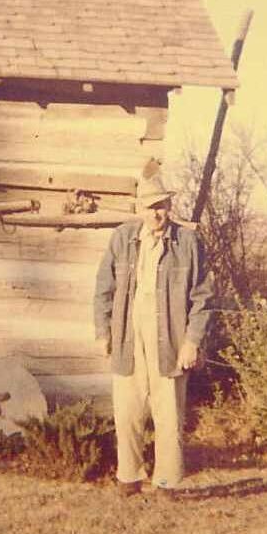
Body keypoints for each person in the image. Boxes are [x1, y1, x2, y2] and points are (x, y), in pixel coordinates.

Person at [93, 175, 213, 496]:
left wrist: (192, 341)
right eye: (149, 207)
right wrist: (102, 331)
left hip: (171, 339)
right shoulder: (122, 238)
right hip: (128, 337)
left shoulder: (188, 243)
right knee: (128, 411)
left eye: (160, 206)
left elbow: (203, 297)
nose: (155, 213)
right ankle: (129, 478)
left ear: (169, 206)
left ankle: (166, 483)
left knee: (168, 414)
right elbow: (104, 288)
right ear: (138, 208)